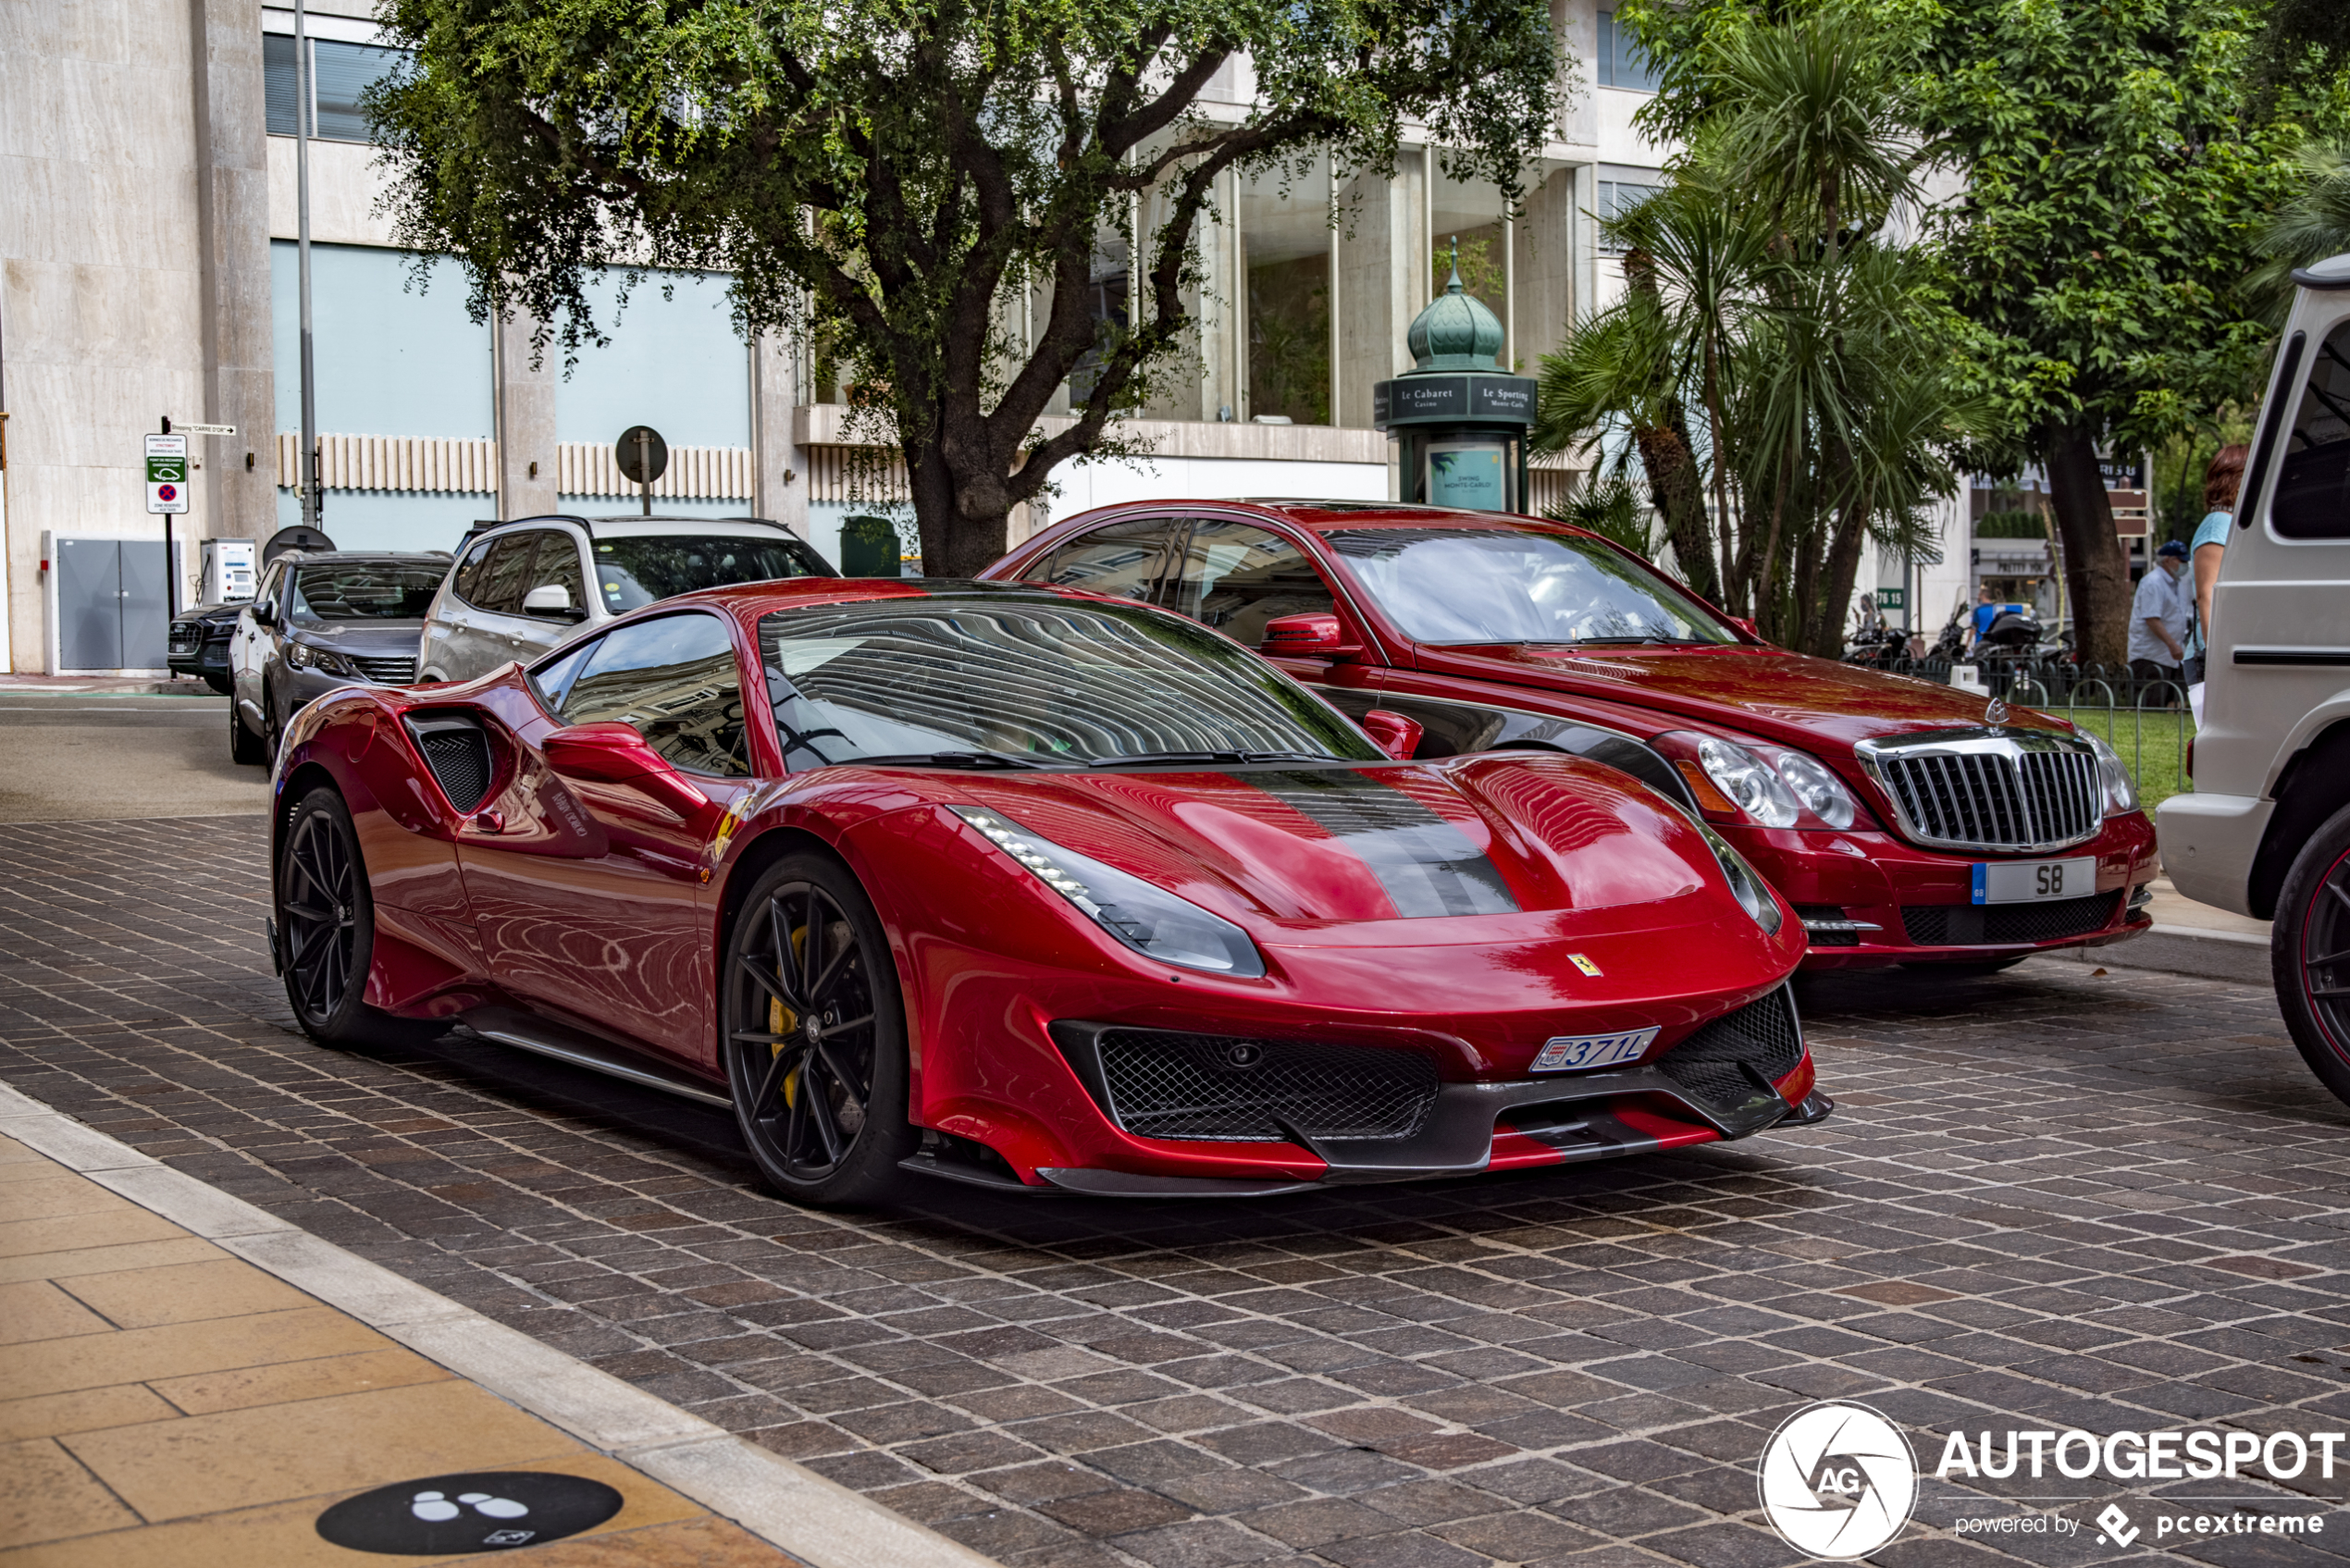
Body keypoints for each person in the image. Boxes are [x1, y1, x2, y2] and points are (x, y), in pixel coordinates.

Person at [2183, 443, 2247, 686]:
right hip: (2212, 659)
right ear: (2237, 480)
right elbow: (2207, 595)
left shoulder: (2230, 523)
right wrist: (2216, 657)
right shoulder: (2217, 525)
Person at [2127, 539, 2191, 698]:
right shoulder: (2153, 583)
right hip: (2150, 656)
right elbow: (2151, 619)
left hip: (2169, 657)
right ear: (2168, 560)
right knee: (2151, 704)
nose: (2186, 565)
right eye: (2182, 561)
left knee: (2169, 703)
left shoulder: (2177, 584)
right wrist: (2172, 645)